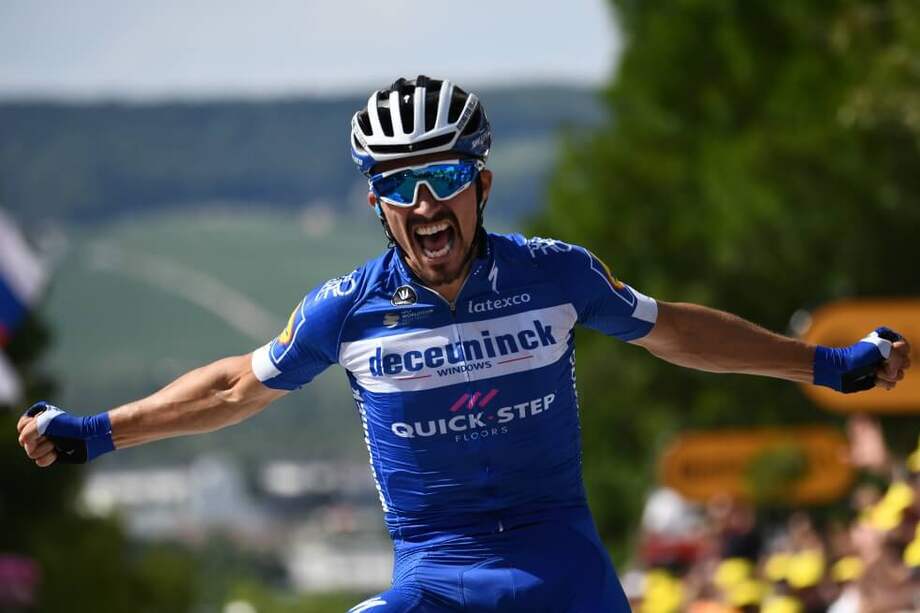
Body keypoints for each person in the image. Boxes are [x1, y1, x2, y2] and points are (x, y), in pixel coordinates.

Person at [16, 76, 912, 612]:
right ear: (375, 202)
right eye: (399, 184)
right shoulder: (345, 309)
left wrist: (826, 365)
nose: (424, 204)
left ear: (481, 182)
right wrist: (97, 431)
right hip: (438, 579)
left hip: (563, 572)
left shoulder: (556, 275)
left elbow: (676, 329)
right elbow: (229, 389)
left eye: (443, 177)